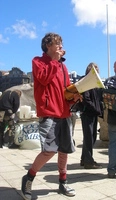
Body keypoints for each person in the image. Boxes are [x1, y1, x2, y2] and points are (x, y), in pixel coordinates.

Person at [21, 32, 82, 200]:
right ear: (48, 45)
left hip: (64, 113)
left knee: (64, 150)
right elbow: (44, 78)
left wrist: (73, 96)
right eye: (57, 43)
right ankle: (29, 177)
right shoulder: (38, 62)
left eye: (61, 43)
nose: (61, 47)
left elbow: (66, 89)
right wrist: (55, 61)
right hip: (49, 113)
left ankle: (63, 182)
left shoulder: (63, 67)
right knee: (49, 151)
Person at [80, 62, 103, 169]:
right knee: (89, 138)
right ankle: (88, 161)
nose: (97, 70)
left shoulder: (94, 83)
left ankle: (84, 159)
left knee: (90, 137)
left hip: (91, 113)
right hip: (88, 113)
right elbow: (86, 99)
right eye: (95, 69)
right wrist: (96, 109)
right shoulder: (87, 82)